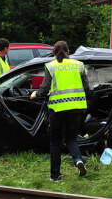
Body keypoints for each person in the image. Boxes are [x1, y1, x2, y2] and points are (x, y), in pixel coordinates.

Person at [30, 41, 90, 181]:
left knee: (55, 142)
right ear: (68, 51)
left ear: (54, 53)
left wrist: (36, 94)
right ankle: (78, 160)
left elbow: (44, 89)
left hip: (57, 109)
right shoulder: (79, 65)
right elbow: (87, 88)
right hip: (76, 108)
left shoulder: (51, 66)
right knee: (71, 138)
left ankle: (55, 175)